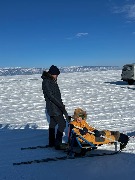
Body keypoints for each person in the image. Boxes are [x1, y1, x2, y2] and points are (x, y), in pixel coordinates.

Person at [41, 65, 69, 150]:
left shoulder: (51, 81)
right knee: (62, 124)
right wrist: (60, 105)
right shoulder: (47, 82)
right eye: (56, 75)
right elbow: (51, 96)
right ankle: (58, 144)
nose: (57, 76)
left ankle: (51, 142)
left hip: (54, 107)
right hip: (54, 107)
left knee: (53, 124)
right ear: (52, 74)